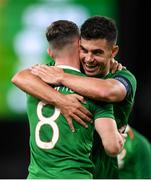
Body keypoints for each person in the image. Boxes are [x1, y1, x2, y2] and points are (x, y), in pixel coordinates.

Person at [12, 20, 124, 179]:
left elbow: (19, 77)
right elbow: (112, 147)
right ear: (80, 46)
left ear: (50, 53)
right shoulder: (94, 91)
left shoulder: (35, 84)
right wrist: (119, 135)